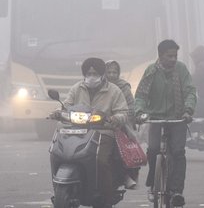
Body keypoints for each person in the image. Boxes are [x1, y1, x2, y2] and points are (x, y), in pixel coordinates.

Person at [134, 39, 196, 206]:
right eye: (170, 56)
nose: (173, 59)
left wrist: (188, 110)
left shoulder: (181, 69)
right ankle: (153, 185)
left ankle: (177, 191)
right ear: (160, 56)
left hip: (178, 119)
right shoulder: (151, 71)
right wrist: (139, 112)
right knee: (153, 149)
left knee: (178, 152)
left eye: (175, 56)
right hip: (156, 118)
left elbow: (190, 91)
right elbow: (140, 95)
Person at [62, 57, 129, 208]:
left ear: (102, 74)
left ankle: (106, 198)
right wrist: (57, 113)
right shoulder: (76, 88)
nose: (91, 76)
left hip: (104, 132)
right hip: (78, 131)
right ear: (84, 74)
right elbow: (66, 106)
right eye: (88, 73)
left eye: (95, 73)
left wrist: (114, 118)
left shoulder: (114, 90)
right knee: (62, 154)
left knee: (101, 161)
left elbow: (124, 112)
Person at [105, 60, 139, 189]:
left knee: (118, 150)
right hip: (98, 123)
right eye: (109, 72)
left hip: (120, 125)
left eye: (114, 72)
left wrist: (120, 119)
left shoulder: (124, 87)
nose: (112, 75)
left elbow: (130, 108)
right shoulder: (98, 86)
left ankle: (125, 176)